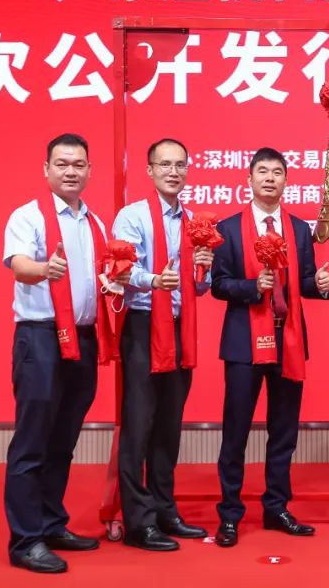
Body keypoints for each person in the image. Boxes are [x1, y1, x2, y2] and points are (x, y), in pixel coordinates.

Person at [2, 133, 126, 573]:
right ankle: (25, 540)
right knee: (33, 441)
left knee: (63, 440)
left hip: (84, 339)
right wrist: (44, 269)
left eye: (78, 164)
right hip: (40, 338)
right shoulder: (29, 215)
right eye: (62, 164)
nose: (71, 171)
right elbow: (19, 265)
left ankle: (52, 524)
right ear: (46, 169)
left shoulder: (95, 224)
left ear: (89, 170)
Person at [210, 147, 329, 547]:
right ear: (249, 178)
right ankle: (230, 514)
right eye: (262, 171)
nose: (269, 178)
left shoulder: (299, 230)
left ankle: (276, 507)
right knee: (236, 431)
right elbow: (218, 285)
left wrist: (320, 286)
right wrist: (252, 287)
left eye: (277, 172)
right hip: (244, 343)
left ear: (286, 181)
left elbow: (305, 282)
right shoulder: (229, 229)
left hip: (288, 339)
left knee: (284, 431)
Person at [110, 138, 213, 551]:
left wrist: (203, 271)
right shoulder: (132, 216)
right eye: (165, 164)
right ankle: (139, 521)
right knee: (139, 424)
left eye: (180, 165)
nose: (173, 172)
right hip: (142, 327)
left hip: (179, 326)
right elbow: (120, 269)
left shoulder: (193, 222)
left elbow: (198, 288)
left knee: (170, 423)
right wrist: (154, 279)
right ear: (149, 170)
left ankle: (165, 509)